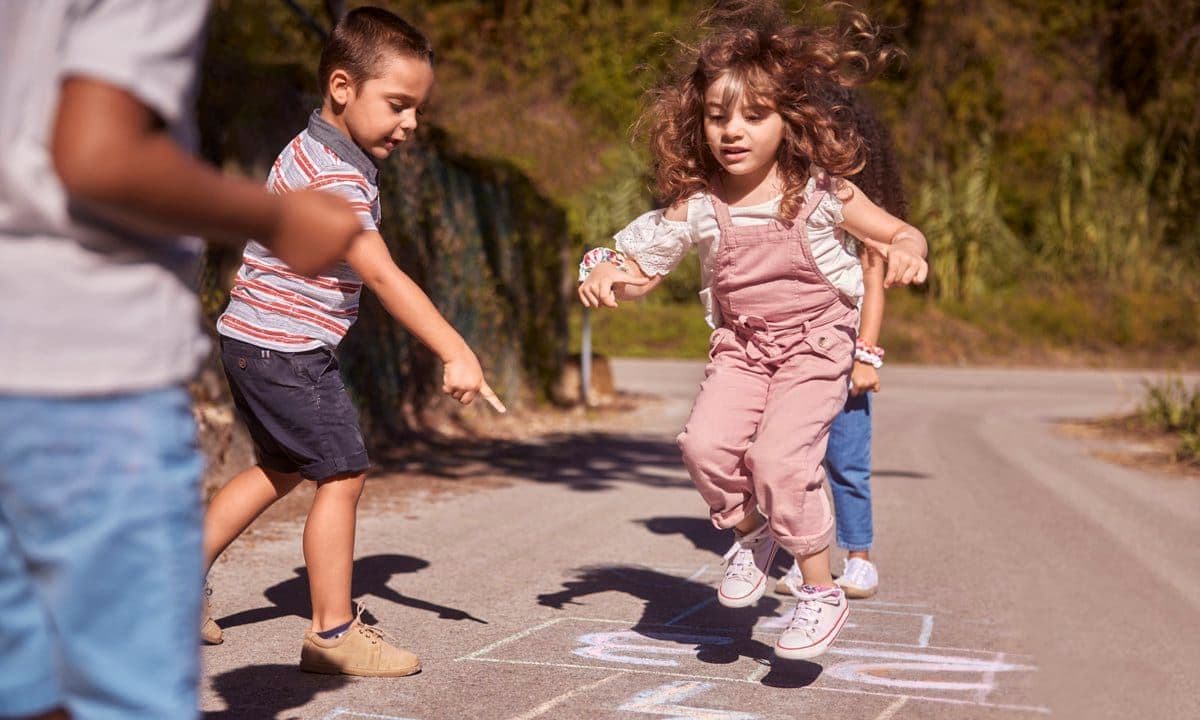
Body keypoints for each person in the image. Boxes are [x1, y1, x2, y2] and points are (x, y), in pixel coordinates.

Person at [0, 2, 360, 718]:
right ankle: (335, 628)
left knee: (32, 689)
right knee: (121, 694)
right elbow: (97, 152)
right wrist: (278, 219)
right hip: (86, 370)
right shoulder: (324, 166)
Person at [577, 1, 927, 660]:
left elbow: (898, 232)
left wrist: (911, 251)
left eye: (753, 116)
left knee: (778, 462)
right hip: (741, 348)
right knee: (703, 447)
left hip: (816, 347)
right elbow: (641, 270)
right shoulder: (700, 203)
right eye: (717, 117)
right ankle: (753, 532)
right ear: (699, 121)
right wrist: (606, 274)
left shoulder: (822, 192)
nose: (732, 131)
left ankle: (820, 589)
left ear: (787, 119)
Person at [201, 6, 504, 678]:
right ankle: (332, 632)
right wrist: (454, 347)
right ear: (342, 87)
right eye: (397, 104)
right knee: (343, 472)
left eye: (417, 108)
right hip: (286, 348)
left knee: (280, 467)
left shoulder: (317, 150)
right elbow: (382, 275)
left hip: (252, 338)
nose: (411, 124)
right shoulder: (336, 178)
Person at [775, 88, 911, 600]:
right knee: (798, 463)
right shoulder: (795, 207)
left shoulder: (858, 220)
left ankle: (859, 557)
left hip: (847, 359)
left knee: (846, 464)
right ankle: (809, 557)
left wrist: (866, 355)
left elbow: (873, 290)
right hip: (799, 357)